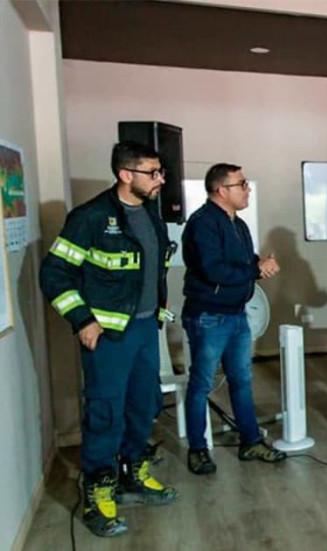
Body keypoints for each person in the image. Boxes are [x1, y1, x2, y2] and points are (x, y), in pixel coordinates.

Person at [39, 142, 177, 537]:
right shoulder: (91, 218)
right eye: (152, 172)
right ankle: (98, 488)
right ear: (125, 174)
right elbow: (54, 274)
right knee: (106, 412)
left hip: (145, 330)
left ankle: (132, 471)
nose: (160, 179)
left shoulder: (151, 215)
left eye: (161, 171)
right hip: (109, 335)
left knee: (144, 405)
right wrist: (82, 320)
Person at [181, 163, 288, 475]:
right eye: (241, 184)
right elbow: (213, 269)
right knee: (201, 384)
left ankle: (251, 441)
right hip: (209, 316)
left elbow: (242, 261)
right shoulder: (203, 223)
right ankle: (198, 450)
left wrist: (259, 264)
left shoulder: (238, 224)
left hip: (236, 314)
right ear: (221, 190)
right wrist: (255, 269)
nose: (247, 189)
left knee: (241, 380)